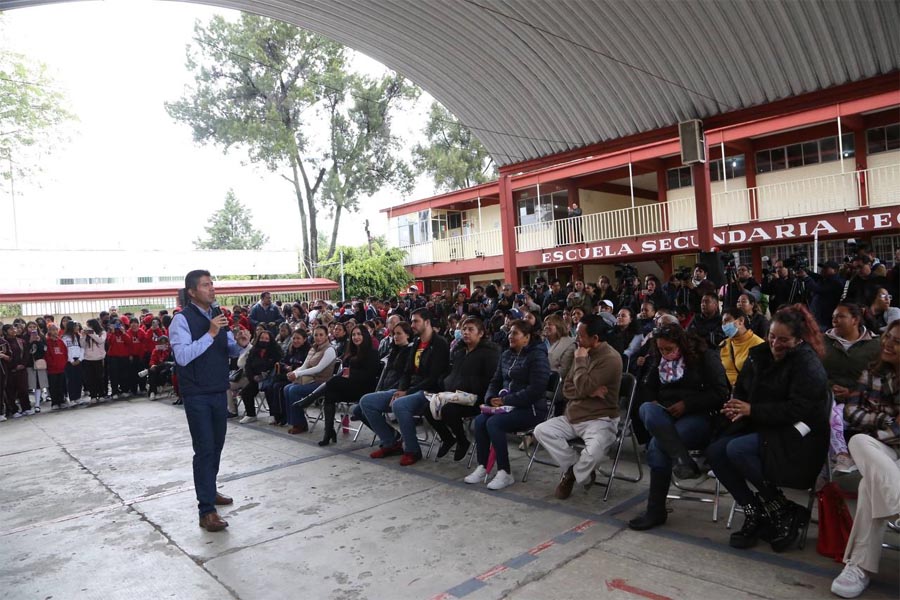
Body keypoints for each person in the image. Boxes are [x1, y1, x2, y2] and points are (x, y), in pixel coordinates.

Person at [707, 304, 829, 552]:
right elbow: (741, 389)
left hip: (798, 432)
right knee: (716, 452)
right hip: (761, 424)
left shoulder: (807, 363)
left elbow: (798, 410)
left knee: (737, 450)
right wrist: (735, 408)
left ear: (798, 339)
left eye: (783, 340)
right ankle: (755, 510)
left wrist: (752, 410)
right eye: (772, 337)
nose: (775, 344)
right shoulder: (758, 353)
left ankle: (780, 507)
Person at [170, 269, 251, 533]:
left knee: (216, 446)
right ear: (192, 292)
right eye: (206, 285)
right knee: (204, 449)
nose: (212, 288)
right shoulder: (181, 321)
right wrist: (211, 333)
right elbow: (182, 356)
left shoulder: (218, 317)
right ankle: (206, 510)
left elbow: (229, 349)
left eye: (212, 284)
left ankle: (210, 489)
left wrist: (240, 344)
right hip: (197, 394)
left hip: (218, 389)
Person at [627, 324, 729, 530]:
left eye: (669, 349)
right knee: (647, 408)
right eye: (661, 349)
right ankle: (683, 461)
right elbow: (647, 388)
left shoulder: (704, 357)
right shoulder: (659, 360)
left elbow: (721, 393)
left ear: (680, 344)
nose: (665, 353)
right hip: (666, 416)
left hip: (699, 416)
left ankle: (655, 511)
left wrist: (687, 404)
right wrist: (654, 401)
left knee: (658, 445)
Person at [830, 320, 900, 598]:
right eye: (887, 338)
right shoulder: (873, 373)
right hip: (881, 448)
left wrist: (886, 426)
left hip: (887, 450)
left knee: (868, 485)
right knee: (858, 440)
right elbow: (851, 413)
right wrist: (887, 420)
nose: (887, 344)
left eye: (896, 340)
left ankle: (859, 565)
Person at [534, 315, 622, 499]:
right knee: (542, 430)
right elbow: (567, 388)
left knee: (595, 452)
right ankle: (577, 468)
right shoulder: (581, 350)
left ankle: (571, 475)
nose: (577, 339)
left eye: (581, 336)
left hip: (600, 418)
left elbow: (579, 385)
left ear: (595, 339)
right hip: (574, 414)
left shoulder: (610, 359)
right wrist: (588, 391)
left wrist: (581, 366)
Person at [465, 319, 550, 490]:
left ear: (527, 337)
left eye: (515, 333)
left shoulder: (537, 356)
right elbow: (495, 381)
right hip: (506, 406)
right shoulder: (506, 355)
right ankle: (483, 466)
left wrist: (507, 400)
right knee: (480, 421)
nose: (510, 336)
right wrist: (490, 399)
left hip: (531, 409)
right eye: (510, 332)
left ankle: (505, 472)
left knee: (494, 423)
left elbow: (536, 389)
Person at [359, 309, 450, 465]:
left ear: (427, 322)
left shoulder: (439, 343)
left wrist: (406, 392)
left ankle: (413, 450)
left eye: (416, 321)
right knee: (366, 402)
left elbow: (433, 378)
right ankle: (391, 442)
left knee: (400, 405)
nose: (412, 324)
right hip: (410, 389)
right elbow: (407, 373)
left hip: (429, 391)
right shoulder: (416, 343)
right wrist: (402, 390)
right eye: (412, 321)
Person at [425, 316, 501, 460]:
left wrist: (470, 386)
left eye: (470, 329)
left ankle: (462, 440)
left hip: (476, 397)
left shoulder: (490, 353)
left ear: (480, 333)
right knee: (428, 406)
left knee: (448, 410)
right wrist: (445, 382)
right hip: (455, 394)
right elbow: (450, 371)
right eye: (464, 329)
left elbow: (492, 380)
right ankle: (447, 438)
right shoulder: (459, 350)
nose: (465, 332)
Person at [823, 302, 881, 473]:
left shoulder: (875, 345)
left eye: (841, 316)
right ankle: (840, 456)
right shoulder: (823, 342)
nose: (835, 320)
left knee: (839, 414)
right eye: (833, 317)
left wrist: (852, 393)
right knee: (831, 413)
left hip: (862, 400)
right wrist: (830, 386)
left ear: (855, 319)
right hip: (828, 397)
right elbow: (814, 372)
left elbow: (880, 378)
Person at [317, 325, 381, 446]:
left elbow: (369, 375)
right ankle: (328, 432)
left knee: (333, 382)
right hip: (350, 387)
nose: (356, 337)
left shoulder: (372, 352)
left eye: (359, 334)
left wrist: (350, 375)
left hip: (364, 388)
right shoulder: (351, 352)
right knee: (329, 395)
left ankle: (310, 398)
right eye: (353, 335)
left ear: (365, 336)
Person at [283, 325, 337, 434]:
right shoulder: (313, 349)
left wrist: (298, 374)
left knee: (293, 390)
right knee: (287, 388)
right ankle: (293, 421)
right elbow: (305, 365)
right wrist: (294, 373)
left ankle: (300, 424)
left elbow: (318, 369)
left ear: (327, 336)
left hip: (322, 383)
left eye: (321, 335)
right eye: (316, 335)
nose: (318, 337)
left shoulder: (330, 350)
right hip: (310, 380)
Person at [238, 329, 282, 424]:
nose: (264, 340)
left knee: (270, 391)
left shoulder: (275, 351)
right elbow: (248, 365)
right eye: (262, 338)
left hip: (270, 379)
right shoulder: (253, 350)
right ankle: (251, 414)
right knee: (246, 392)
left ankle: (273, 415)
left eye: (266, 339)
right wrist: (253, 377)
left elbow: (276, 364)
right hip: (255, 378)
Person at [266, 329, 310, 425]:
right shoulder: (291, 349)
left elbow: (304, 366)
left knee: (278, 387)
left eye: (298, 338)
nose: (295, 341)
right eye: (294, 338)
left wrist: (293, 367)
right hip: (287, 374)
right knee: (270, 386)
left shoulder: (307, 351)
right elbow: (283, 361)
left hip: (299, 378)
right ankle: (274, 414)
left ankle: (283, 416)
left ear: (305, 339)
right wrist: (286, 366)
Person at [719, 308, 766, 387]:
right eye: (723, 323)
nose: (724, 325)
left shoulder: (759, 344)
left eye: (727, 321)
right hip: (723, 389)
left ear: (741, 321)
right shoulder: (724, 344)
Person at [805, 261, 845, 331]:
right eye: (823, 268)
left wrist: (806, 277)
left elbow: (818, 289)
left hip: (825, 319)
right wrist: (807, 272)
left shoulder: (836, 282)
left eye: (826, 268)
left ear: (835, 270)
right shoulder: (827, 279)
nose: (823, 270)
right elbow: (817, 276)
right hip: (819, 316)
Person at [544, 313, 576, 383]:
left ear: (559, 326)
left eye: (549, 324)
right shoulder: (541, 341)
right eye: (545, 325)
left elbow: (563, 371)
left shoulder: (569, 343)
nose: (546, 327)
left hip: (553, 384)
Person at [82, 319, 107, 403]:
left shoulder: (102, 332)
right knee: (90, 379)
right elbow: (82, 345)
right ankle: (93, 395)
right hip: (88, 359)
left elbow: (100, 340)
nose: (88, 327)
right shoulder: (87, 334)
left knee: (99, 378)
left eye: (89, 325)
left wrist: (91, 333)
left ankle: (101, 394)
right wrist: (84, 336)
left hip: (98, 359)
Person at [44, 324, 68, 409]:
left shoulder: (60, 341)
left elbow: (65, 353)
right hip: (52, 369)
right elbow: (47, 355)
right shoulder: (47, 342)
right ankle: (54, 402)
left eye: (55, 330)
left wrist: (64, 363)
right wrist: (52, 364)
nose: (54, 332)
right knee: (53, 386)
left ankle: (61, 401)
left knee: (61, 385)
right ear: (49, 331)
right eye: (52, 330)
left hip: (61, 368)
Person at [61, 321, 85, 406]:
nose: (78, 328)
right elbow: (66, 350)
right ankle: (72, 398)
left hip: (79, 359)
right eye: (76, 326)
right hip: (69, 361)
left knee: (78, 379)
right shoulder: (65, 338)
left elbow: (82, 348)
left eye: (78, 326)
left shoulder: (78, 336)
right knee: (71, 380)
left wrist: (80, 359)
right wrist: (71, 360)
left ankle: (78, 397)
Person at [146, 335, 174, 400]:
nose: (163, 344)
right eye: (161, 343)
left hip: (167, 366)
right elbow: (152, 360)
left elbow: (170, 360)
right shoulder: (156, 350)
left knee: (164, 366)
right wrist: (152, 364)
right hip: (157, 367)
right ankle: (152, 392)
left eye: (165, 342)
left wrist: (165, 351)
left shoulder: (170, 350)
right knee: (152, 371)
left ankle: (147, 371)